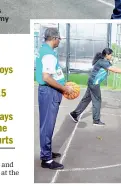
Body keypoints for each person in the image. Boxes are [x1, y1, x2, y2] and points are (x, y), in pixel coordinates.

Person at [35, 28, 74, 170]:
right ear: (54, 38)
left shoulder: (44, 50)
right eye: (59, 38)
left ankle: (47, 152)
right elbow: (46, 77)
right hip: (49, 92)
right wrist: (64, 88)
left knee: (47, 124)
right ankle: (46, 159)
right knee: (47, 125)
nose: (60, 41)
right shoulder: (49, 54)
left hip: (48, 91)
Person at [69, 48, 121, 126]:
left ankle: (74, 114)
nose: (111, 56)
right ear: (107, 54)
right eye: (111, 54)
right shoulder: (103, 62)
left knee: (86, 99)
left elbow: (115, 68)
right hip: (94, 83)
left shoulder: (104, 61)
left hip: (91, 82)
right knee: (97, 101)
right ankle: (96, 121)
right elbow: (115, 70)